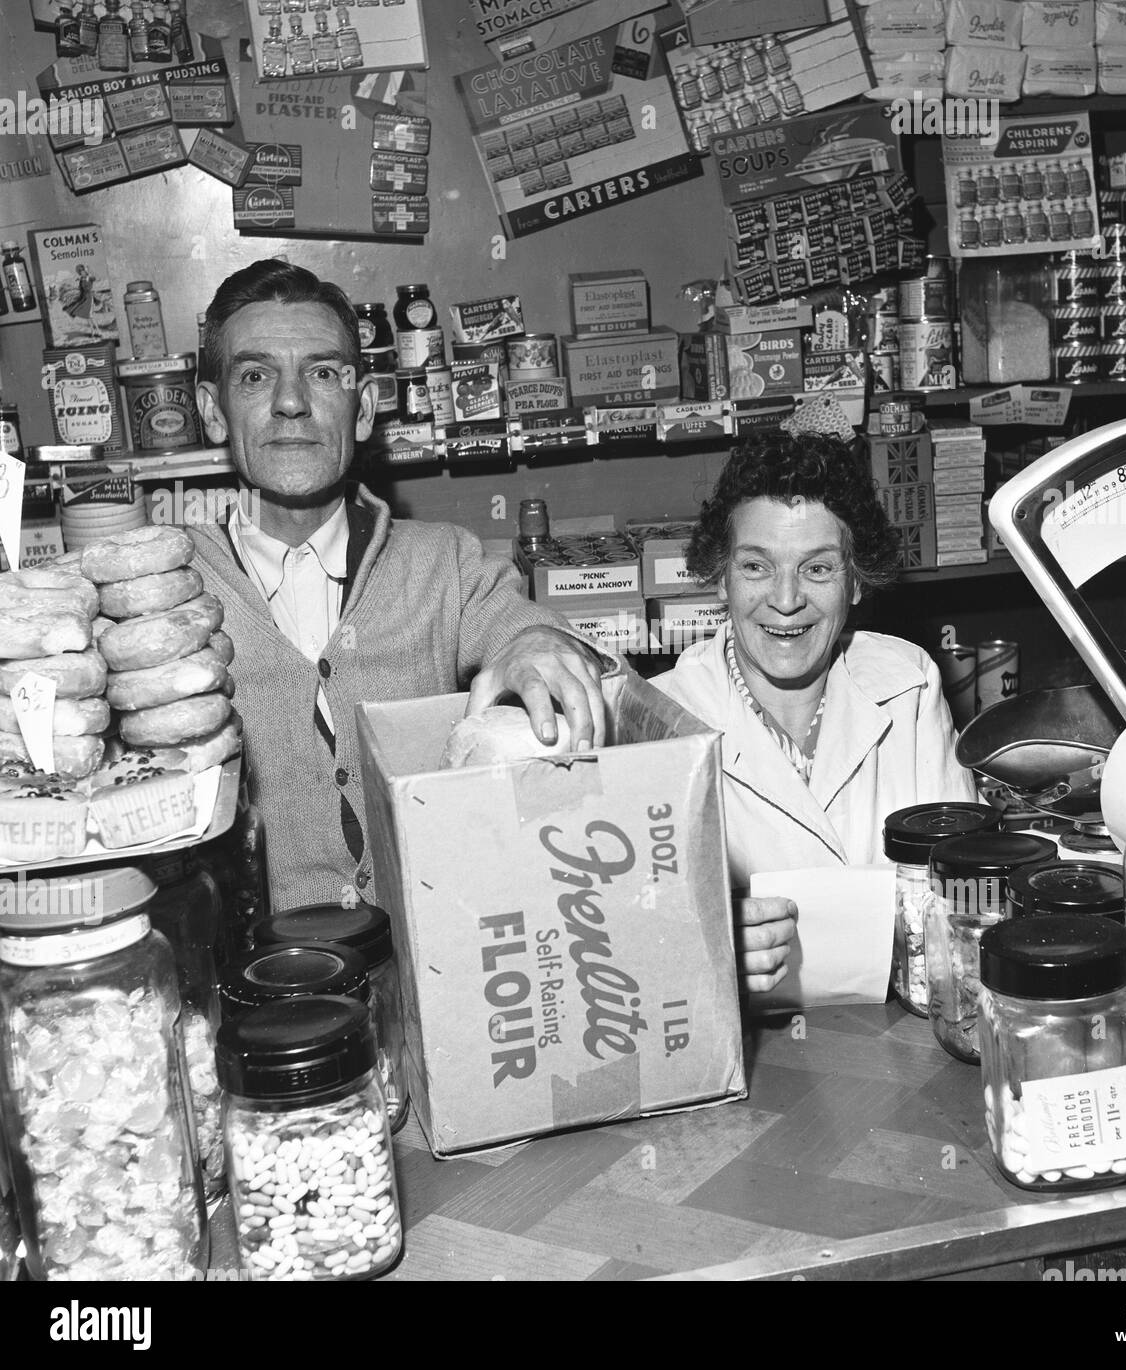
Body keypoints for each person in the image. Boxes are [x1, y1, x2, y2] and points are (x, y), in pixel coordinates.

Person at [192, 259, 608, 910]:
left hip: (432, 964)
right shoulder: (176, 589)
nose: (292, 401)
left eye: (323, 372)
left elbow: (524, 628)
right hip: (252, 984)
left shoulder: (442, 561)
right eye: (255, 375)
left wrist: (536, 644)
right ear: (214, 413)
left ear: (362, 410)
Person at [654, 431, 977, 999]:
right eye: (756, 567)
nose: (785, 599)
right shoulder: (660, 721)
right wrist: (699, 951)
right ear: (721, 576)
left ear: (855, 581)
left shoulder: (908, 682)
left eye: (818, 570)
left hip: (900, 1032)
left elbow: (969, 891)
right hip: (750, 1049)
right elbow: (627, 938)